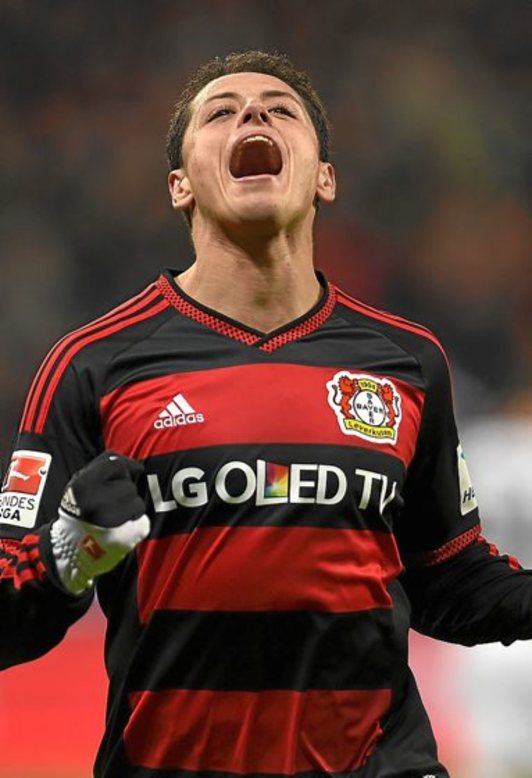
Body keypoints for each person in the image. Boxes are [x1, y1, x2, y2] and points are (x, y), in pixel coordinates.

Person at [1, 49, 531, 778]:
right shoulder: (91, 364)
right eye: (220, 113)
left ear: (324, 177)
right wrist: (71, 552)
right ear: (180, 185)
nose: (252, 113)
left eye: (281, 110)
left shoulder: (407, 361)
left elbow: (450, 578)